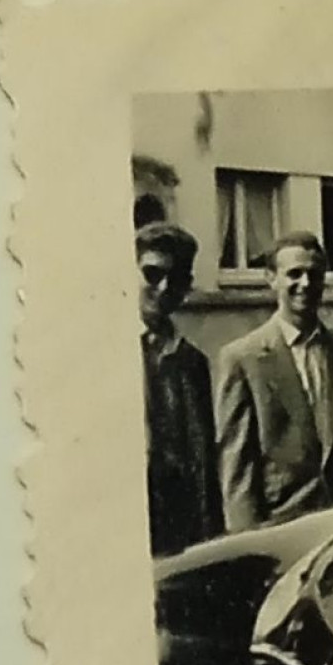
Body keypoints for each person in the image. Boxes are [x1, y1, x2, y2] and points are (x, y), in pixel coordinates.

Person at [216, 231, 333, 531]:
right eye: (294, 274)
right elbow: (237, 467)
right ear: (272, 278)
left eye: (315, 274)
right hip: (281, 524)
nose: (305, 284)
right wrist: (249, 543)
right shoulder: (242, 358)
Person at [136, 222, 223, 556]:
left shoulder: (191, 361)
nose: (163, 288)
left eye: (177, 280)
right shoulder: (101, 352)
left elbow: (203, 461)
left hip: (179, 535)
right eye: (152, 274)